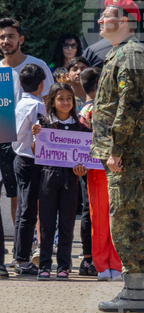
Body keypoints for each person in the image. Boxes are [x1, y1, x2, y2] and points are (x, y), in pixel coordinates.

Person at [89, 0, 144, 313]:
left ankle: (134, 292)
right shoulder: (120, 52)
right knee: (123, 218)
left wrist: (114, 147)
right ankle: (133, 292)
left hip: (124, 154)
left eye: (107, 15)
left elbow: (131, 105)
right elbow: (116, 102)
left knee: (125, 220)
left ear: (125, 20)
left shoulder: (130, 53)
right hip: (121, 152)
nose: (101, 20)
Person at [35, 83, 87, 280]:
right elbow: (35, 152)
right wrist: (35, 137)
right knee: (47, 224)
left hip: (70, 180)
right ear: (52, 102)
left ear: (73, 102)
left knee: (66, 224)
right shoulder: (44, 124)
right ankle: (44, 265)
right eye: (60, 98)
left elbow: (85, 159)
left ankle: (64, 266)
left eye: (69, 99)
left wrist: (82, 170)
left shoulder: (80, 128)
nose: (65, 102)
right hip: (48, 178)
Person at [79, 67, 123, 281]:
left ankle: (116, 262)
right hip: (96, 168)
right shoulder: (86, 112)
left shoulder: (119, 108)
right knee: (99, 218)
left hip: (119, 167)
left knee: (117, 216)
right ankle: (101, 264)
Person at [12, 63, 48, 276]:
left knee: (22, 210)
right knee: (28, 212)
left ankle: (19, 255)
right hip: (31, 159)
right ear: (42, 84)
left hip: (18, 157)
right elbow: (40, 137)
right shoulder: (37, 106)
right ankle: (23, 260)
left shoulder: (18, 104)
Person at [1, 17, 54, 105]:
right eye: (2, 37)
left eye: (11, 36)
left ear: (21, 40)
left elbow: (50, 100)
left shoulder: (38, 66)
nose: (6, 41)